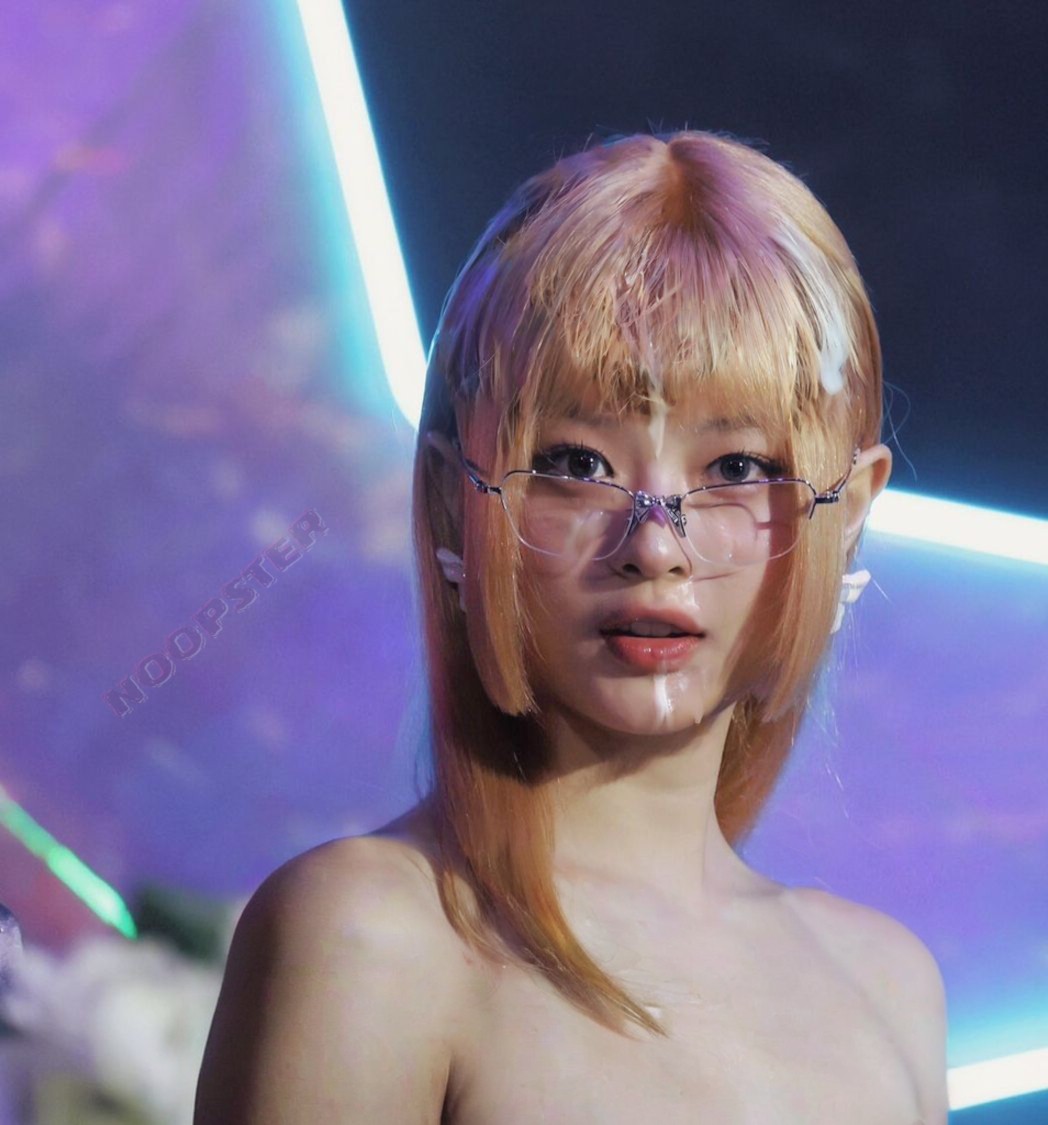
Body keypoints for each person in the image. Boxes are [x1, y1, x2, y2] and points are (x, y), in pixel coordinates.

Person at [195, 130, 948, 1123]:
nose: (655, 546)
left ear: (847, 511)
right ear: (451, 496)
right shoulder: (369, 937)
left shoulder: (888, 989)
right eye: (577, 463)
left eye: (736, 468)